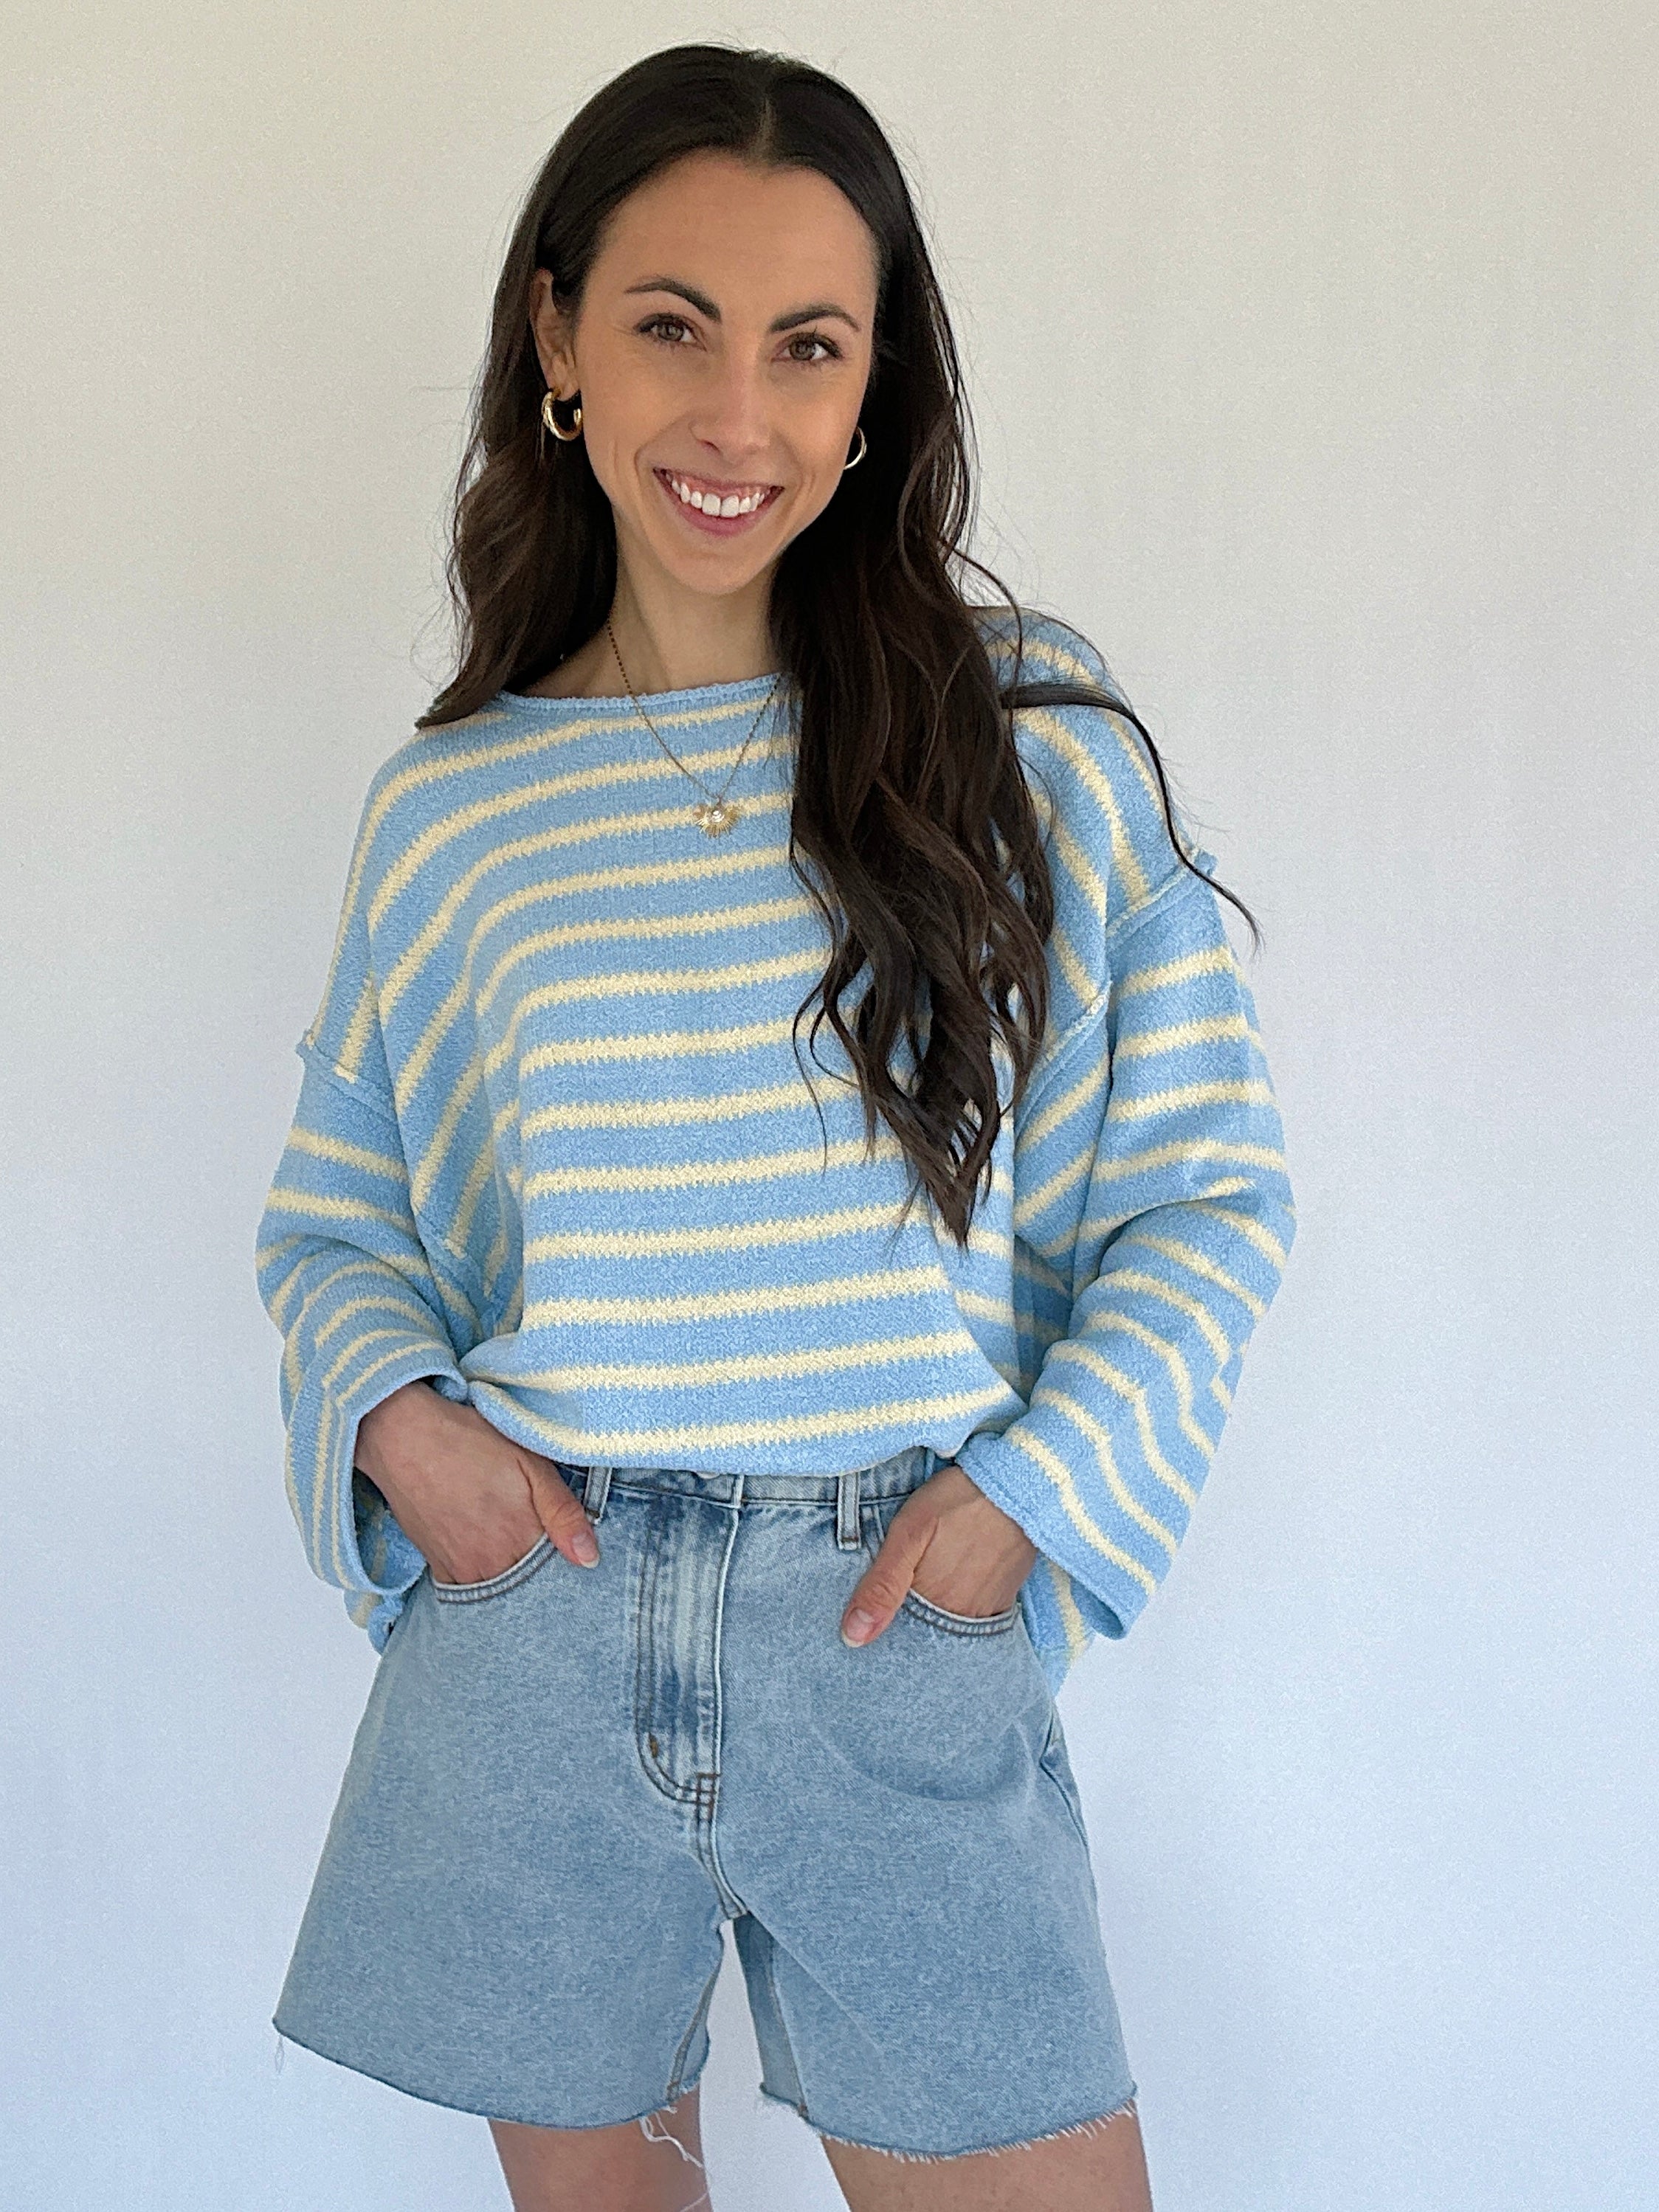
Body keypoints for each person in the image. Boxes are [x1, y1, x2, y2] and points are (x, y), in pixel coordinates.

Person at [254, 42, 1294, 2212]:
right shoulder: (451, 813)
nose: (739, 418)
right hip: (535, 1629)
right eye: (671, 326)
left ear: (874, 381)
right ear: (556, 338)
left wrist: (1025, 1504)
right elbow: (338, 1227)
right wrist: (401, 1429)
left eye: (808, 347)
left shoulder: (1030, 746)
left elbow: (1204, 1198)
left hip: (891, 1616)